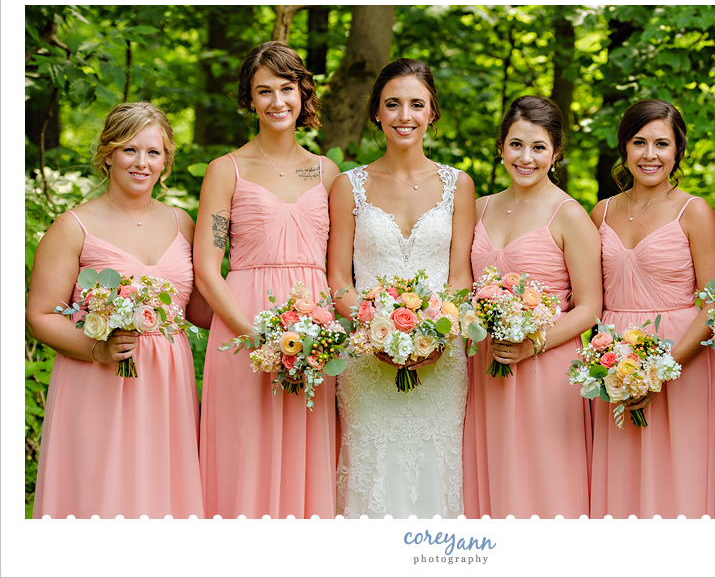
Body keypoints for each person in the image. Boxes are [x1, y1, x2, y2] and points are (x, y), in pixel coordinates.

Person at [27, 102, 210, 518]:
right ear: (108, 153)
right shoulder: (73, 226)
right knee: (101, 492)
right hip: (98, 376)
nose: (141, 163)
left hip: (167, 382)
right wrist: (98, 350)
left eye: (153, 152)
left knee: (161, 495)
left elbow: (200, 309)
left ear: (165, 162)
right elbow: (40, 315)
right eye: (129, 150)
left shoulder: (183, 223)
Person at [194, 41, 340, 519]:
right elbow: (206, 269)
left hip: (313, 327)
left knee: (307, 447)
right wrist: (254, 336)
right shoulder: (226, 170)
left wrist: (326, 334)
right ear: (249, 100)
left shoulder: (328, 172)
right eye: (264, 91)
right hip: (243, 325)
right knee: (244, 451)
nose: (277, 102)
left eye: (286, 88)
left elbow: (339, 270)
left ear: (303, 92)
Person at [327, 58, 476, 518]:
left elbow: (459, 277)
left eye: (416, 104)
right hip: (367, 360)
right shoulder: (348, 186)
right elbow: (338, 279)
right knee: (373, 471)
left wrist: (436, 334)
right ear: (376, 112)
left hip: (442, 358)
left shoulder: (459, 185)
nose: (404, 115)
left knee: (436, 469)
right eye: (392, 104)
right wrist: (377, 332)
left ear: (433, 112)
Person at [462, 95, 600, 519]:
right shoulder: (479, 208)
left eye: (538, 147)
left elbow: (590, 306)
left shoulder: (569, 215)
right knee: (491, 484)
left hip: (546, 370)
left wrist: (531, 344)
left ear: (555, 152)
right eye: (516, 145)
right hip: (487, 368)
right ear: (501, 146)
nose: (526, 158)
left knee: (544, 488)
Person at [588, 99, 715, 518]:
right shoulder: (600, 212)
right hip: (617, 364)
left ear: (677, 151)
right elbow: (592, 302)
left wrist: (663, 366)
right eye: (639, 142)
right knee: (623, 482)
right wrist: (612, 364)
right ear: (624, 148)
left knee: (681, 482)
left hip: (683, 361)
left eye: (662, 144)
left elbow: (714, 302)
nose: (650, 155)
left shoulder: (694, 211)